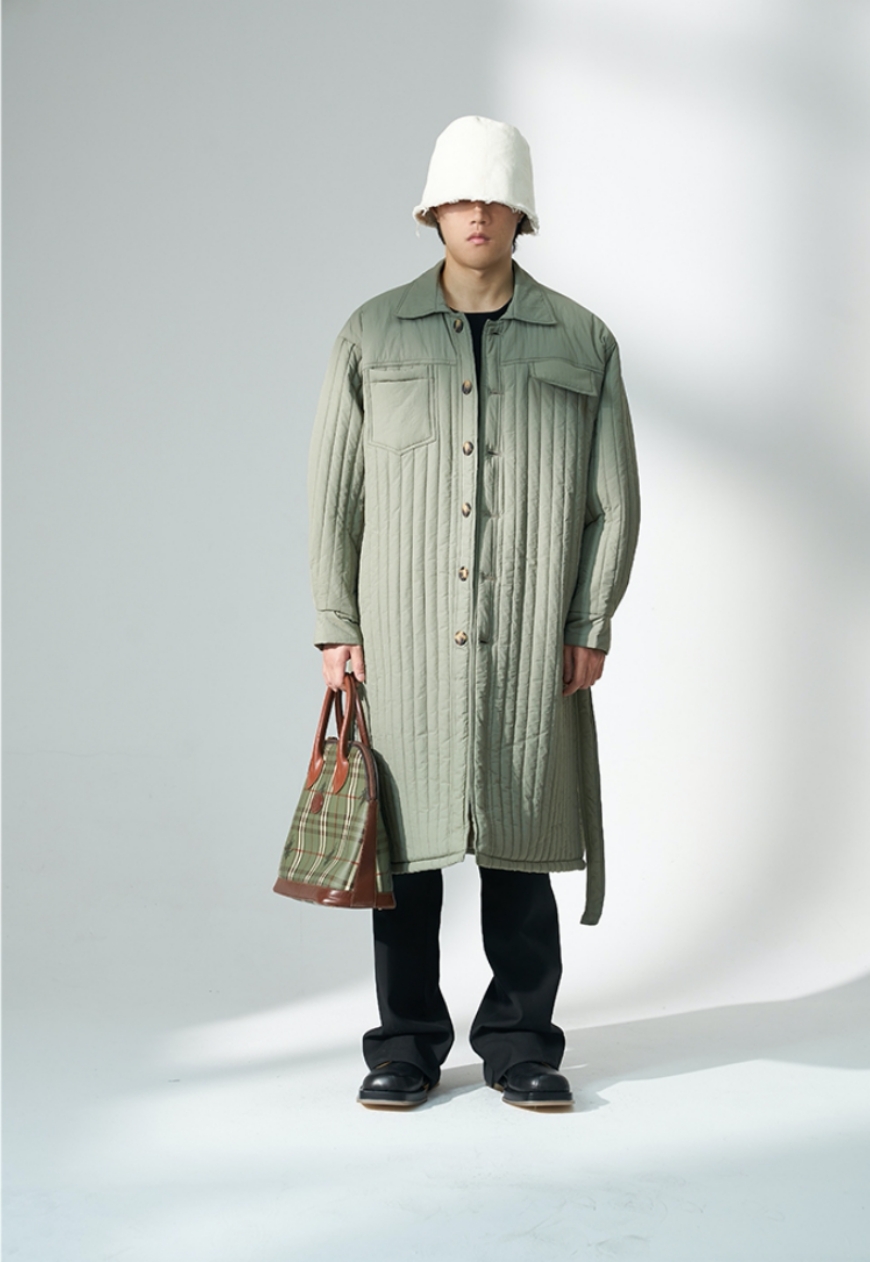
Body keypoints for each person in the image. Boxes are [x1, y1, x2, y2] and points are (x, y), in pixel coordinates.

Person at [307, 116, 640, 1109]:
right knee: (402, 857)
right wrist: (336, 622)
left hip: (529, 638)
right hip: (402, 639)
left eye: (494, 197)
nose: (478, 214)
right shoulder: (373, 334)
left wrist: (588, 620)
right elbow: (335, 493)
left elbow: (614, 499)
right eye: (459, 198)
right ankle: (405, 1042)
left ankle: (522, 1040)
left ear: (520, 212)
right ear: (433, 212)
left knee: (520, 845)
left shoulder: (581, 339)